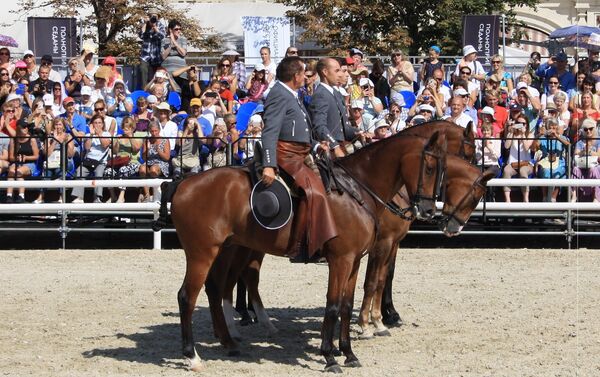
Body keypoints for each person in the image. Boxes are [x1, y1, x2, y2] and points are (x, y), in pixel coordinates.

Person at [260, 56, 338, 259]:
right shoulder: (279, 94)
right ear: (295, 76)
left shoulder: (293, 94)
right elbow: (270, 131)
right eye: (303, 73)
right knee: (314, 192)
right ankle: (298, 247)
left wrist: (315, 145)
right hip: (286, 155)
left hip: (301, 153)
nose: (306, 77)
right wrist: (268, 164)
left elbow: (299, 129)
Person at [310, 57, 357, 157]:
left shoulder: (336, 93)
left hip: (342, 145)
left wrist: (358, 132)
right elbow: (319, 126)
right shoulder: (321, 95)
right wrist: (334, 146)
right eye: (337, 70)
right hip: (330, 150)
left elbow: (344, 127)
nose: (340, 74)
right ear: (325, 72)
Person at [34, 117, 75, 203]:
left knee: (60, 170)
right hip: (51, 162)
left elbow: (71, 155)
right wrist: (55, 141)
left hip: (64, 161)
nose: (58, 126)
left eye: (60, 124)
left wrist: (64, 143)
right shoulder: (49, 137)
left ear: (63, 126)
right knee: (47, 172)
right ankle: (41, 197)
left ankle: (61, 197)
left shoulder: (68, 136)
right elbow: (46, 154)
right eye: (56, 124)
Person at [71, 115, 111, 203]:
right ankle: (79, 197)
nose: (97, 125)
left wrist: (99, 134)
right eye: (95, 123)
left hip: (100, 162)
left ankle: (97, 197)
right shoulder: (88, 135)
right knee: (79, 171)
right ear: (92, 124)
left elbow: (105, 145)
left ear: (103, 124)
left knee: (99, 173)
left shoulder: (106, 134)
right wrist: (92, 135)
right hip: (89, 161)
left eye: (99, 123)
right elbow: (87, 147)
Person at [103, 117, 142, 203]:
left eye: (128, 127)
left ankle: (122, 196)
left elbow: (136, 149)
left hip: (132, 162)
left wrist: (130, 137)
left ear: (132, 128)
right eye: (124, 127)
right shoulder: (119, 137)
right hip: (119, 162)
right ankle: (113, 196)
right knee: (108, 171)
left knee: (123, 170)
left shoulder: (137, 137)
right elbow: (115, 151)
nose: (126, 129)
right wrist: (117, 141)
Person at [533, 117, 570, 202]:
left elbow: (569, 146)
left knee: (557, 173)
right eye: (551, 127)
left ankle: (554, 197)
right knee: (546, 172)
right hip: (546, 161)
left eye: (554, 127)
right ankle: (545, 196)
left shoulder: (562, 137)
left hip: (559, 162)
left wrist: (557, 136)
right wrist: (538, 135)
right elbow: (533, 148)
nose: (553, 129)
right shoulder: (543, 138)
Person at [5, 119, 40, 203]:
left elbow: (36, 156)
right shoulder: (13, 140)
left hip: (30, 163)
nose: (26, 129)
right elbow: (11, 157)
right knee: (11, 171)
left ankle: (21, 196)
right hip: (17, 162)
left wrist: (26, 157)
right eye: (23, 127)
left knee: (19, 171)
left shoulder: (32, 139)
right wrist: (18, 158)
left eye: (26, 127)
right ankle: (9, 196)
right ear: (18, 128)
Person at [502, 115, 534, 203]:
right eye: (518, 123)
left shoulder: (530, 134)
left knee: (523, 171)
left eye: (523, 123)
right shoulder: (512, 133)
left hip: (526, 163)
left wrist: (523, 134)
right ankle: (507, 199)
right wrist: (511, 132)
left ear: (526, 125)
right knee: (506, 171)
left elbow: (527, 147)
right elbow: (506, 146)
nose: (520, 125)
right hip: (513, 163)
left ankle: (526, 199)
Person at [139, 121, 170, 202]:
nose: (154, 133)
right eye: (152, 131)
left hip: (161, 162)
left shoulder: (165, 140)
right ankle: (147, 195)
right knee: (142, 169)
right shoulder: (147, 140)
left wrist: (159, 151)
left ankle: (155, 195)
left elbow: (167, 158)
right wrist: (147, 149)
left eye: (156, 131)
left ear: (159, 130)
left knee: (153, 169)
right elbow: (144, 157)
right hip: (149, 161)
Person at [571, 118, 600, 202]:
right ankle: (574, 196)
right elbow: (576, 154)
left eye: (591, 129)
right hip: (582, 165)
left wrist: (589, 151)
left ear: (594, 129)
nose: (588, 131)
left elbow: (599, 154)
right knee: (576, 169)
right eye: (586, 129)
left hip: (595, 165)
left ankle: (596, 197)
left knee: (593, 169)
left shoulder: (598, 141)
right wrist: (584, 151)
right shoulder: (580, 142)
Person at [138, 7, 166, 89]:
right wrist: (145, 25)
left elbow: (162, 36)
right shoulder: (145, 25)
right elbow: (141, 36)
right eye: (151, 16)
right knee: (143, 70)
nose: (153, 18)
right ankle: (144, 91)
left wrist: (155, 27)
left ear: (158, 17)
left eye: (155, 16)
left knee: (156, 77)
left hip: (156, 57)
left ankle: (156, 91)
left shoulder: (161, 25)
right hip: (145, 56)